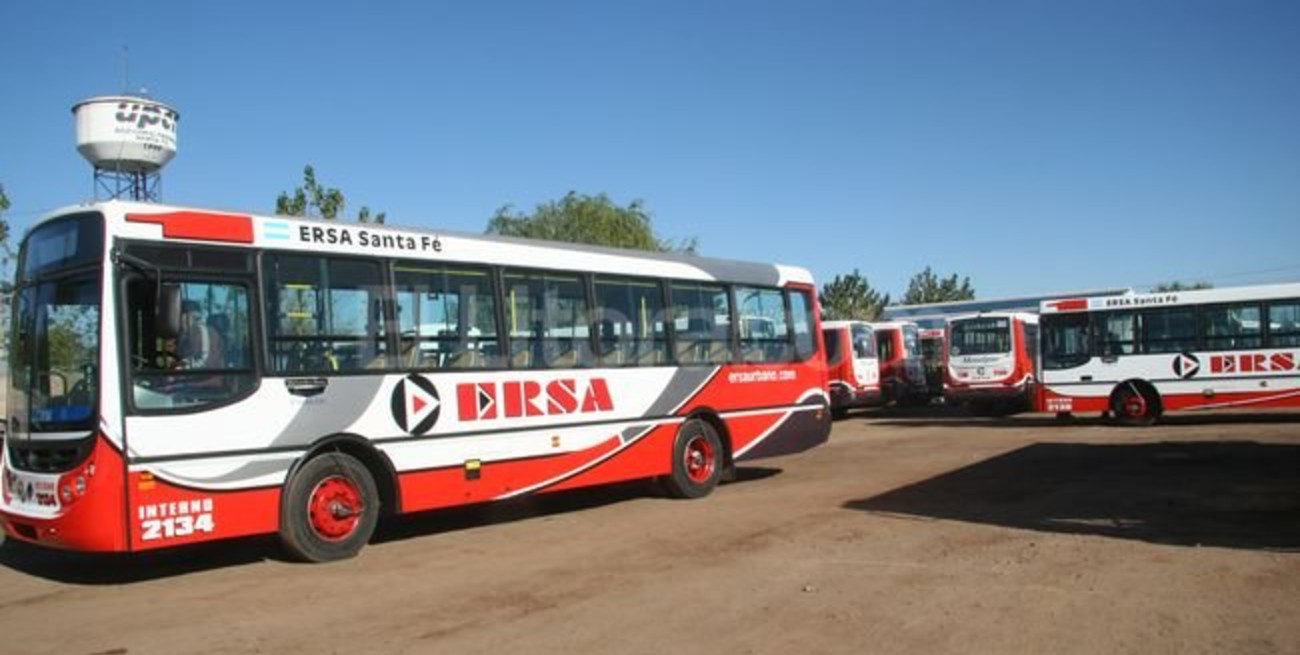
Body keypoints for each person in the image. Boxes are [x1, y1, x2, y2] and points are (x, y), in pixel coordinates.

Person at [176, 300, 224, 370]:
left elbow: (202, 362)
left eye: (177, 316)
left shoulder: (205, 333)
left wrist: (175, 367)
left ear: (187, 316)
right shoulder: (185, 336)